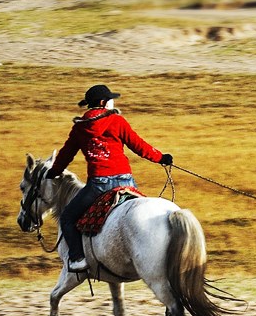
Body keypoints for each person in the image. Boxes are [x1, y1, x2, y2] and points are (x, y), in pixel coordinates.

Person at [45, 83, 173, 273]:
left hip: (99, 185)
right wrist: (161, 158)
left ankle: (78, 259)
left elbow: (65, 154)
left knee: (67, 218)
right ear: (104, 102)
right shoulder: (117, 121)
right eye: (111, 99)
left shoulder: (80, 128)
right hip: (125, 181)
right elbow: (138, 145)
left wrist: (54, 171)